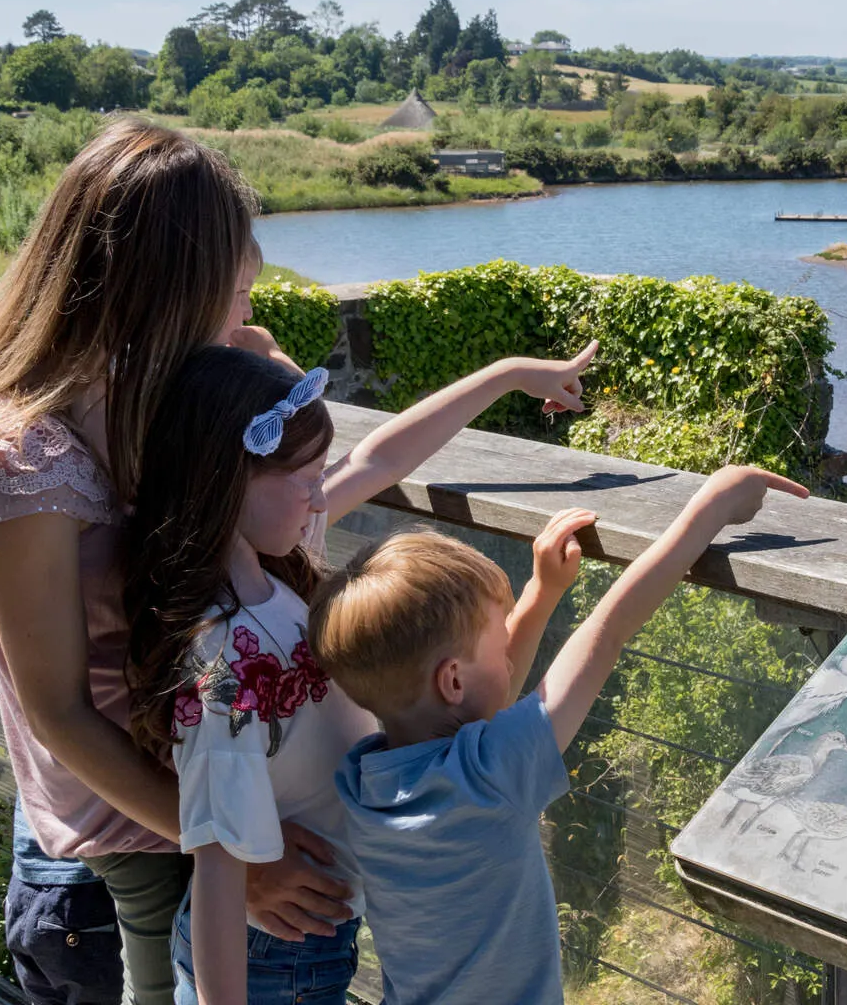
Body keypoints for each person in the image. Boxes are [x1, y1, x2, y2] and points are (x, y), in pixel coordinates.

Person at [0, 119, 350, 1005]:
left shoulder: (124, 396)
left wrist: (245, 382)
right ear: (165, 287)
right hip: (142, 828)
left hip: (185, 802)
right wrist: (239, 862)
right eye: (231, 291)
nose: (245, 314)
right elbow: (60, 710)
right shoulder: (22, 461)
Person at [122, 341, 597, 1005]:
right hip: (270, 959)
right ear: (230, 479)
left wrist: (509, 373)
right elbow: (218, 868)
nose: (322, 495)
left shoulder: (281, 581)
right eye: (306, 477)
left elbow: (383, 456)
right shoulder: (224, 663)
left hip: (303, 944)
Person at [311, 463, 808, 1004]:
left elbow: (479, 712)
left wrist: (542, 593)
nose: (509, 654)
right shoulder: (490, 775)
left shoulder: (367, 781)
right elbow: (608, 628)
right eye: (500, 645)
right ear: (452, 679)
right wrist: (713, 504)